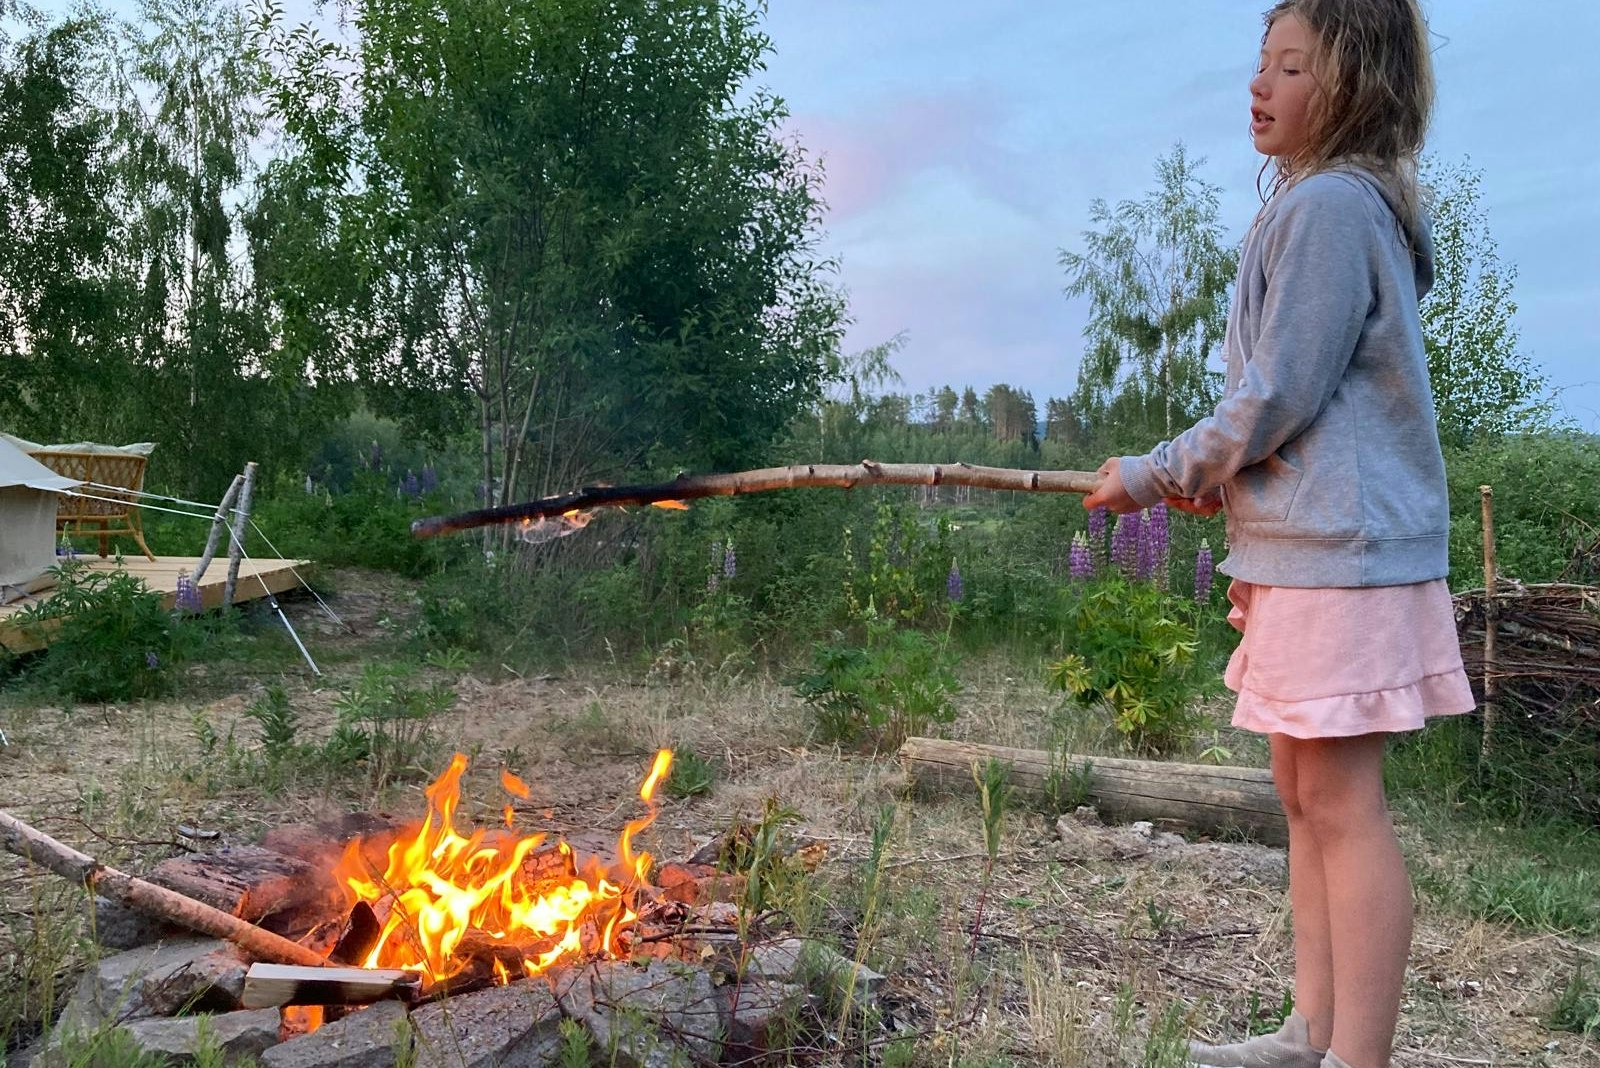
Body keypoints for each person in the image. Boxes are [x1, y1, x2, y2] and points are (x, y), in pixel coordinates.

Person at [1081, 2, 1474, 1067]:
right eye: (1260, 65)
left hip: (1345, 558)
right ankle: (1313, 1029)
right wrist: (1233, 489)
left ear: (1353, 86)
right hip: (1311, 549)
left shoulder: (1334, 210)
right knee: (1303, 793)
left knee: (1342, 803)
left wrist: (1159, 475)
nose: (1259, 86)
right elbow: (1307, 410)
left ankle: (1358, 1056)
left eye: (1289, 68)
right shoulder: (1319, 208)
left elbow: (1277, 393)